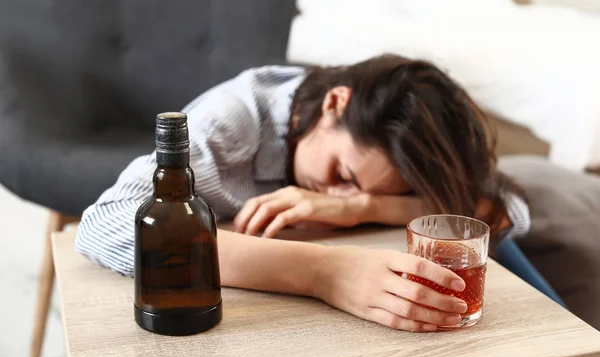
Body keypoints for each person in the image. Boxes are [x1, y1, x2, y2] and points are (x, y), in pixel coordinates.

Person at [76, 54, 533, 333]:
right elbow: (104, 224)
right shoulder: (233, 119)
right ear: (335, 103)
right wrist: (323, 273)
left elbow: (508, 210)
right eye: (343, 173)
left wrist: (359, 206)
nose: (334, 189)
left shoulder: (388, 141)